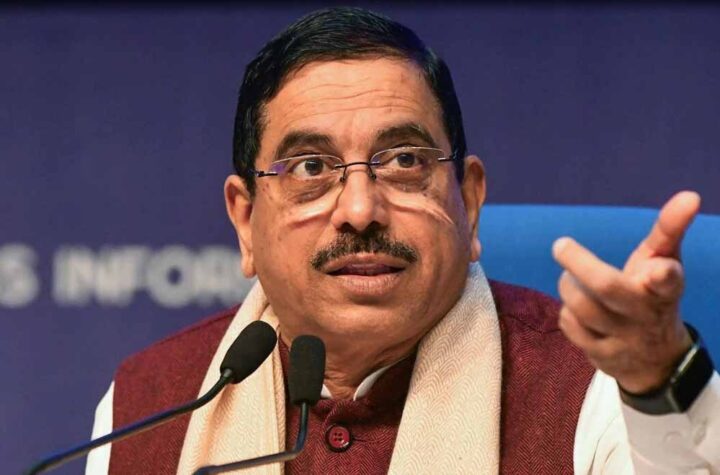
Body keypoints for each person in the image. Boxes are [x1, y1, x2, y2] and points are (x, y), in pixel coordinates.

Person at [86, 7, 719, 474]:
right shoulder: (151, 405)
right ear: (246, 221)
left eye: (404, 161)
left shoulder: (591, 385)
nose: (361, 210)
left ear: (469, 201)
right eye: (311, 168)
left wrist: (658, 385)